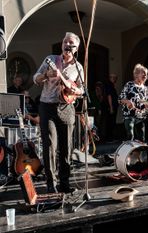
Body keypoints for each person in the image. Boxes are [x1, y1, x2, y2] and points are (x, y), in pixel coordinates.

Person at [33, 32, 84, 193]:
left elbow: (82, 90)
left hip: (66, 108)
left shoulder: (78, 67)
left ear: (76, 49)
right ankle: (51, 184)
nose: (67, 45)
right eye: (65, 42)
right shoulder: (51, 59)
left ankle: (64, 183)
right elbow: (35, 78)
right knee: (49, 146)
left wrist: (73, 88)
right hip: (47, 106)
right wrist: (47, 75)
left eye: (71, 43)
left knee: (66, 146)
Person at [119, 64, 148, 142]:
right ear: (136, 74)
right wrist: (128, 102)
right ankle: (130, 154)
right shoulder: (129, 85)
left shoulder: (145, 88)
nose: (145, 75)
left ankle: (139, 154)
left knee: (141, 139)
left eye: (146, 73)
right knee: (130, 138)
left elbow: (146, 101)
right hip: (129, 116)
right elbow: (120, 99)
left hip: (141, 117)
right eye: (143, 73)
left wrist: (147, 105)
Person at [105, 74, 119, 142]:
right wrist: (111, 107)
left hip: (113, 107)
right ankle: (110, 138)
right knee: (111, 122)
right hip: (111, 107)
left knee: (112, 122)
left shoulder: (111, 85)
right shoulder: (109, 85)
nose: (116, 80)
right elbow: (109, 96)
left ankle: (110, 137)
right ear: (111, 78)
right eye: (115, 78)